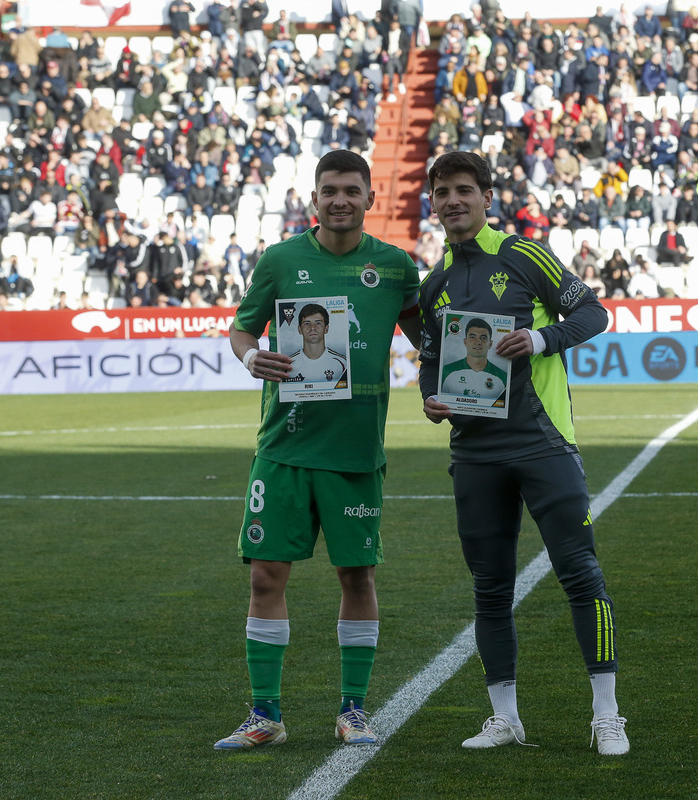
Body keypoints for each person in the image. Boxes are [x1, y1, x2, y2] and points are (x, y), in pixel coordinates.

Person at [417, 151, 629, 756]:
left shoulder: (523, 255)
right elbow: (432, 360)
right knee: (489, 588)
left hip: (543, 445)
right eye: (441, 193)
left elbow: (594, 311)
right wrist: (433, 399)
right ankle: (505, 718)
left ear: (487, 196)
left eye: (463, 190)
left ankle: (608, 715)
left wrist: (539, 338)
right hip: (475, 454)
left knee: (581, 576)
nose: (452, 201)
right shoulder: (435, 285)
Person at [217, 150, 422, 750]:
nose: (340, 200)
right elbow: (241, 327)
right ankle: (265, 716)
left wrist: (448, 388)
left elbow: (426, 341)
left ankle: (352, 711)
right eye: (329, 190)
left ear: (369, 199)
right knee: (265, 576)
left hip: (356, 450)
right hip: (284, 445)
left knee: (356, 575)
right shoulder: (281, 260)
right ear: (314, 199)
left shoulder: (394, 267)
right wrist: (253, 356)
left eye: (351, 191)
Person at [440, 317, 507, 399]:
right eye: (472, 337)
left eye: (483, 338)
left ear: (490, 344)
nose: (478, 342)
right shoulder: (446, 371)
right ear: (465, 342)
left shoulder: (503, 377)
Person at [284, 303, 348, 384]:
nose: (312, 328)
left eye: (318, 323)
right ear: (299, 329)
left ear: (326, 329)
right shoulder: (287, 364)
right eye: (307, 323)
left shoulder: (342, 363)